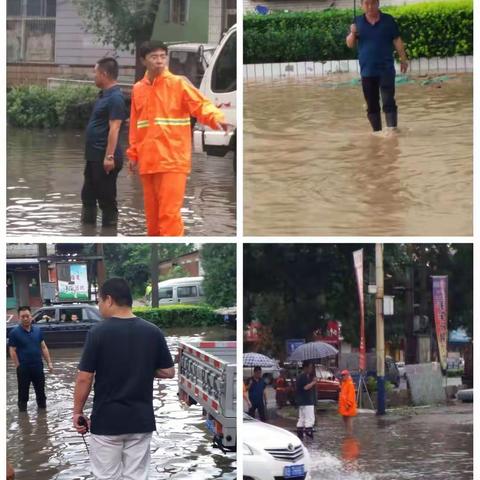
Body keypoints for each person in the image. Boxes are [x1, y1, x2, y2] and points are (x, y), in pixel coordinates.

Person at [127, 41, 232, 236]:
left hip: (173, 160)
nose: (159, 61)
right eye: (154, 57)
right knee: (152, 218)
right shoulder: (138, 89)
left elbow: (201, 105)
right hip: (148, 161)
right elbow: (135, 124)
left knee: (169, 215)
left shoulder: (178, 84)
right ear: (143, 61)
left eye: (162, 56)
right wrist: (133, 154)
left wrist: (217, 118)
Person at [73, 278, 175, 479]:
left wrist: (77, 412)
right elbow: (168, 371)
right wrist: (141, 366)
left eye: (100, 301)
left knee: (106, 476)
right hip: (141, 421)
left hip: (107, 422)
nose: (99, 306)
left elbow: (84, 378)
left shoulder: (97, 333)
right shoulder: (153, 332)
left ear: (109, 300)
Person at [346, 0, 408, 132]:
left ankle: (392, 132)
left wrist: (403, 59)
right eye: (366, 3)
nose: (370, 6)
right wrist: (352, 33)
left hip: (386, 69)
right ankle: (377, 133)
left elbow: (397, 40)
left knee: (389, 101)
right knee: (372, 105)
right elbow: (350, 44)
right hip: (367, 71)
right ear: (361, 5)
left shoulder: (388, 20)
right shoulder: (357, 21)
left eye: (373, 3)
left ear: (378, 3)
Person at [81, 57, 126, 227]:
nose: (94, 76)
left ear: (104, 74)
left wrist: (109, 156)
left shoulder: (115, 98)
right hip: (93, 156)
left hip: (105, 157)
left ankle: (110, 231)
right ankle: (87, 230)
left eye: (96, 73)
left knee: (106, 199)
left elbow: (114, 128)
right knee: (88, 196)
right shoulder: (103, 96)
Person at [8, 306, 53, 412]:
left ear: (31, 317)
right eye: (22, 316)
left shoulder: (37, 331)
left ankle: (43, 416)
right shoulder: (14, 333)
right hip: (23, 368)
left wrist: (49, 363)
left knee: (41, 393)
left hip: (37, 366)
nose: (25, 318)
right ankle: (23, 417)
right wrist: (18, 366)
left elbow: (43, 347)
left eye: (27, 316)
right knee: (23, 394)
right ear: (19, 318)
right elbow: (12, 351)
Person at [295, 361, 318, 439]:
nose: (311, 369)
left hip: (303, 401)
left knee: (302, 418)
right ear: (305, 368)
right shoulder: (302, 377)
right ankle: (308, 434)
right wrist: (313, 382)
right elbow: (305, 387)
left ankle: (300, 433)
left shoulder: (306, 376)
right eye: (310, 367)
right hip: (306, 401)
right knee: (309, 419)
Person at [338, 370, 357, 435]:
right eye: (342, 375)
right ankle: (348, 434)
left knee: (349, 421)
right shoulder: (344, 383)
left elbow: (351, 396)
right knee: (345, 421)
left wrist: (348, 405)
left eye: (343, 375)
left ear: (347, 375)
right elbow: (342, 395)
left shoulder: (350, 384)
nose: (342, 377)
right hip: (343, 407)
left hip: (348, 406)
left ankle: (350, 435)